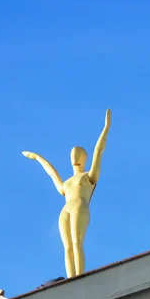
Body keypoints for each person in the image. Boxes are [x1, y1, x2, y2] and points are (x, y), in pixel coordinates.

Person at [22, 109, 111, 278]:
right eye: (72, 154)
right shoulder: (67, 183)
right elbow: (51, 173)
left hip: (79, 206)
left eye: (78, 153)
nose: (74, 156)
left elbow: (98, 151)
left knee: (77, 242)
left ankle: (79, 277)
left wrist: (106, 128)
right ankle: (70, 279)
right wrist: (37, 157)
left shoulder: (88, 177)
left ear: (84, 157)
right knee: (67, 246)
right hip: (66, 209)